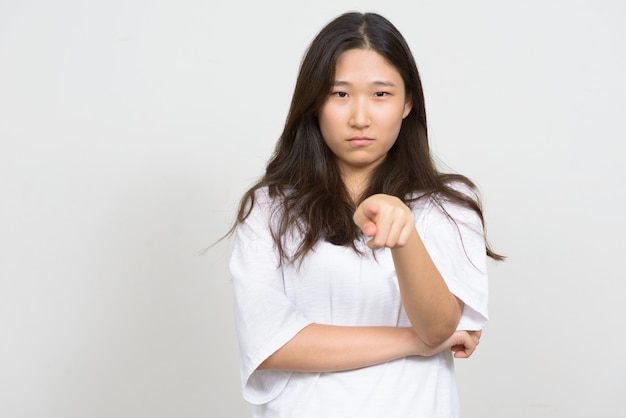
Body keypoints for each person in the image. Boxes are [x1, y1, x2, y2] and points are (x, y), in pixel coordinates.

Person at [227, 11, 503, 418]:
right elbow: (271, 346)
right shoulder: (269, 207)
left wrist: (404, 234)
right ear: (314, 102)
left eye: (381, 94)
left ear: (408, 102)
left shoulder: (449, 204)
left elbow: (439, 326)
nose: (360, 117)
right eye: (340, 94)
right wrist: (414, 342)